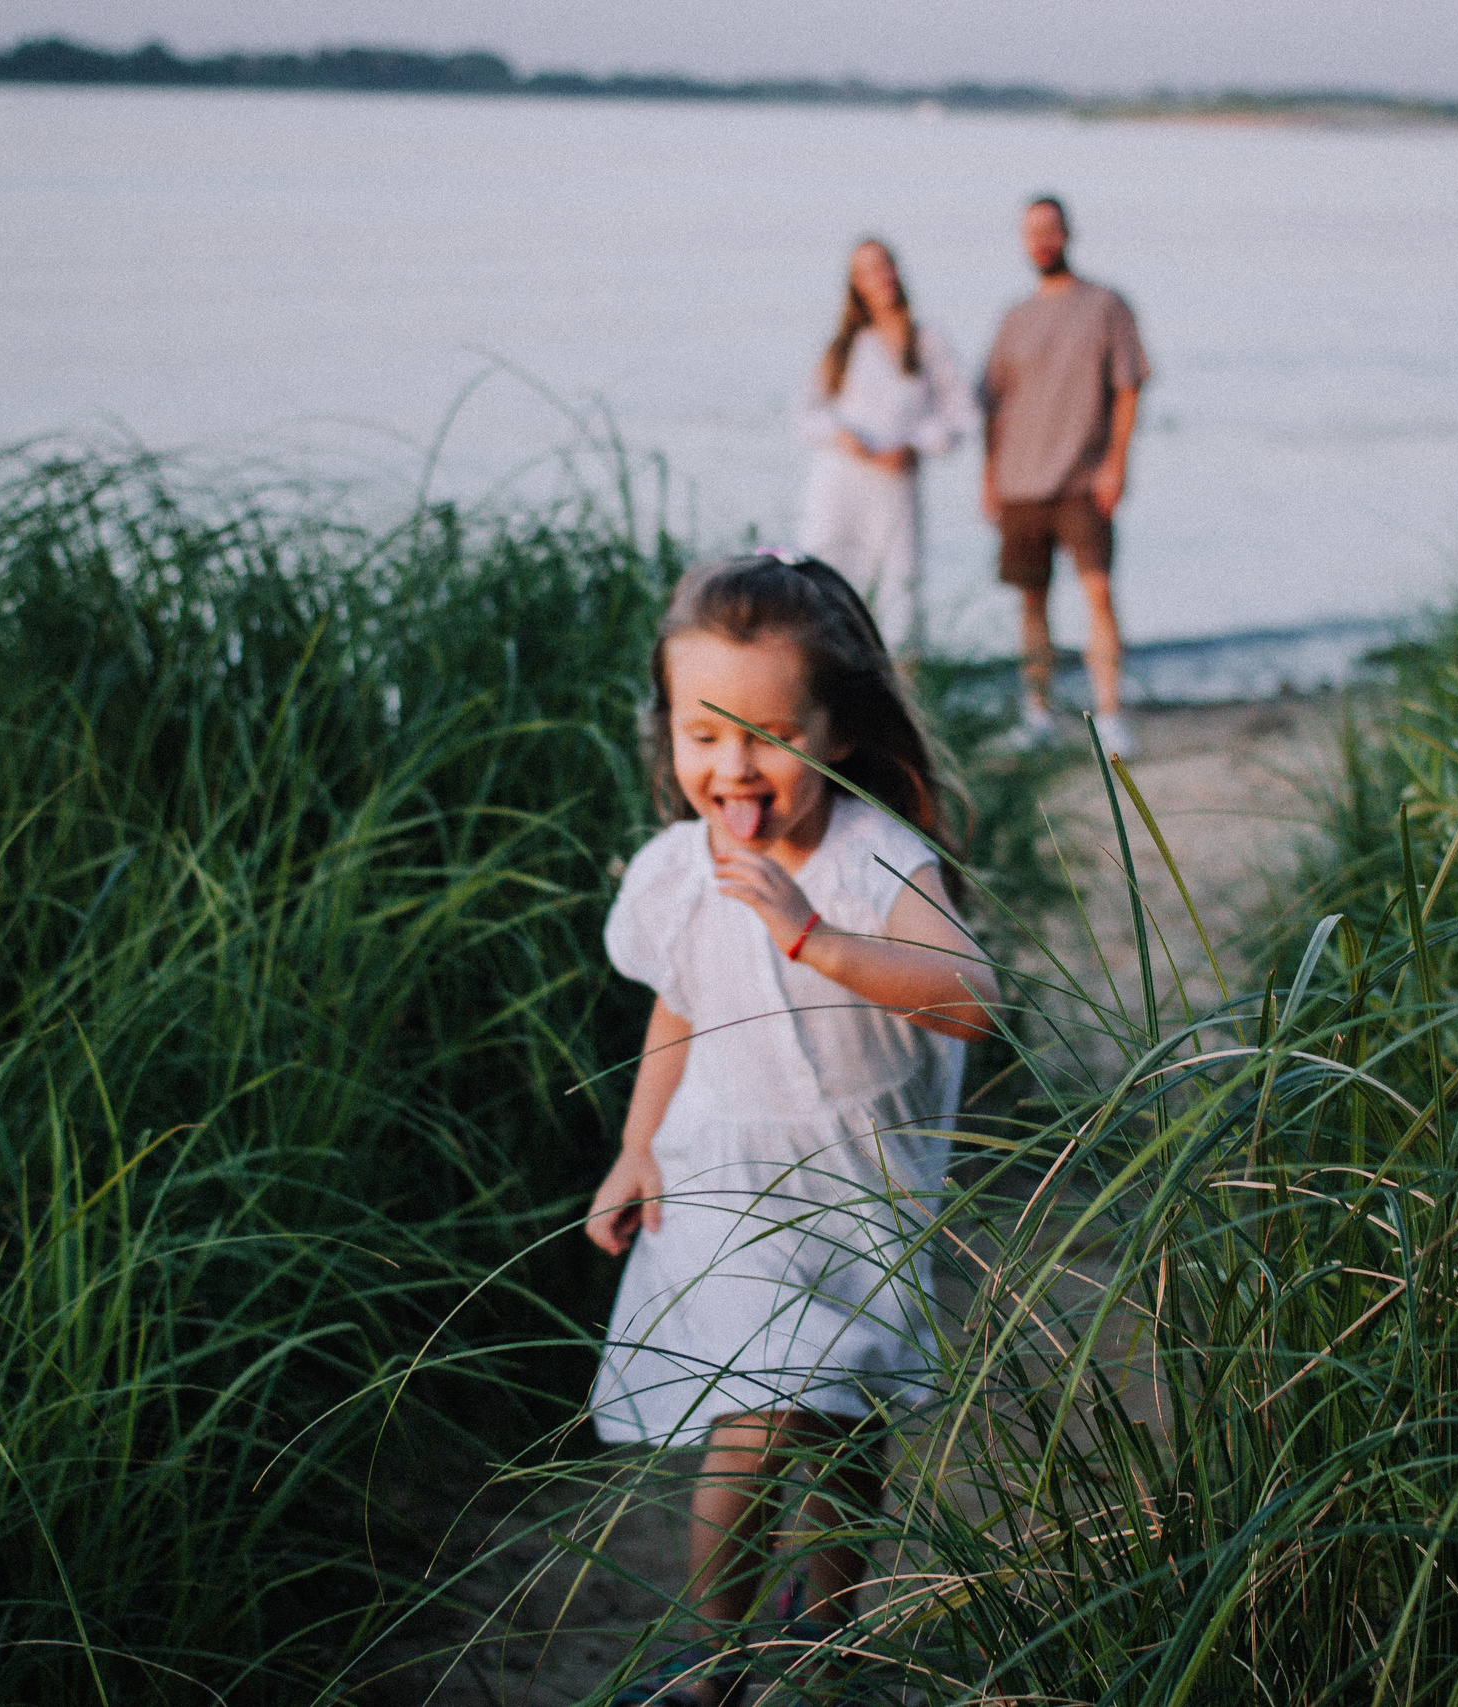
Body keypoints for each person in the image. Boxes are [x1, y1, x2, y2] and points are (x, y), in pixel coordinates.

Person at [584, 553, 993, 1706]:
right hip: (726, 1176)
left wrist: (813, 934)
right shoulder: (679, 871)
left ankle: (824, 1629)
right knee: (753, 1412)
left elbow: (969, 997)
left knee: (843, 1426)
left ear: (838, 728)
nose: (732, 767)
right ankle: (720, 1662)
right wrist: (634, 1145)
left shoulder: (874, 860)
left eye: (766, 734)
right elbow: (682, 1001)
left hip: (858, 1179)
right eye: (701, 735)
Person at [978, 193, 1151, 756]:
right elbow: (993, 406)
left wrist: (1116, 465)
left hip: (1081, 480)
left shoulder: (1105, 306)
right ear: (1023, 242)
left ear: (1068, 234)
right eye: (1032, 233)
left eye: (1050, 230)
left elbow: (1128, 389)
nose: (1042, 241)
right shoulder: (1014, 317)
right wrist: (988, 479)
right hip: (1020, 484)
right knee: (1031, 601)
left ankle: (1109, 713)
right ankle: (1037, 715)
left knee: (1097, 592)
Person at [795, 238, 976, 659]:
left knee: (899, 591)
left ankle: (898, 696)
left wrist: (914, 445)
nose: (880, 277)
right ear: (855, 283)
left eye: (885, 266)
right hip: (841, 479)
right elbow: (807, 414)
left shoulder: (926, 341)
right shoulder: (844, 345)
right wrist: (844, 437)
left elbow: (961, 414)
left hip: (895, 483)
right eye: (868, 270)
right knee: (830, 576)